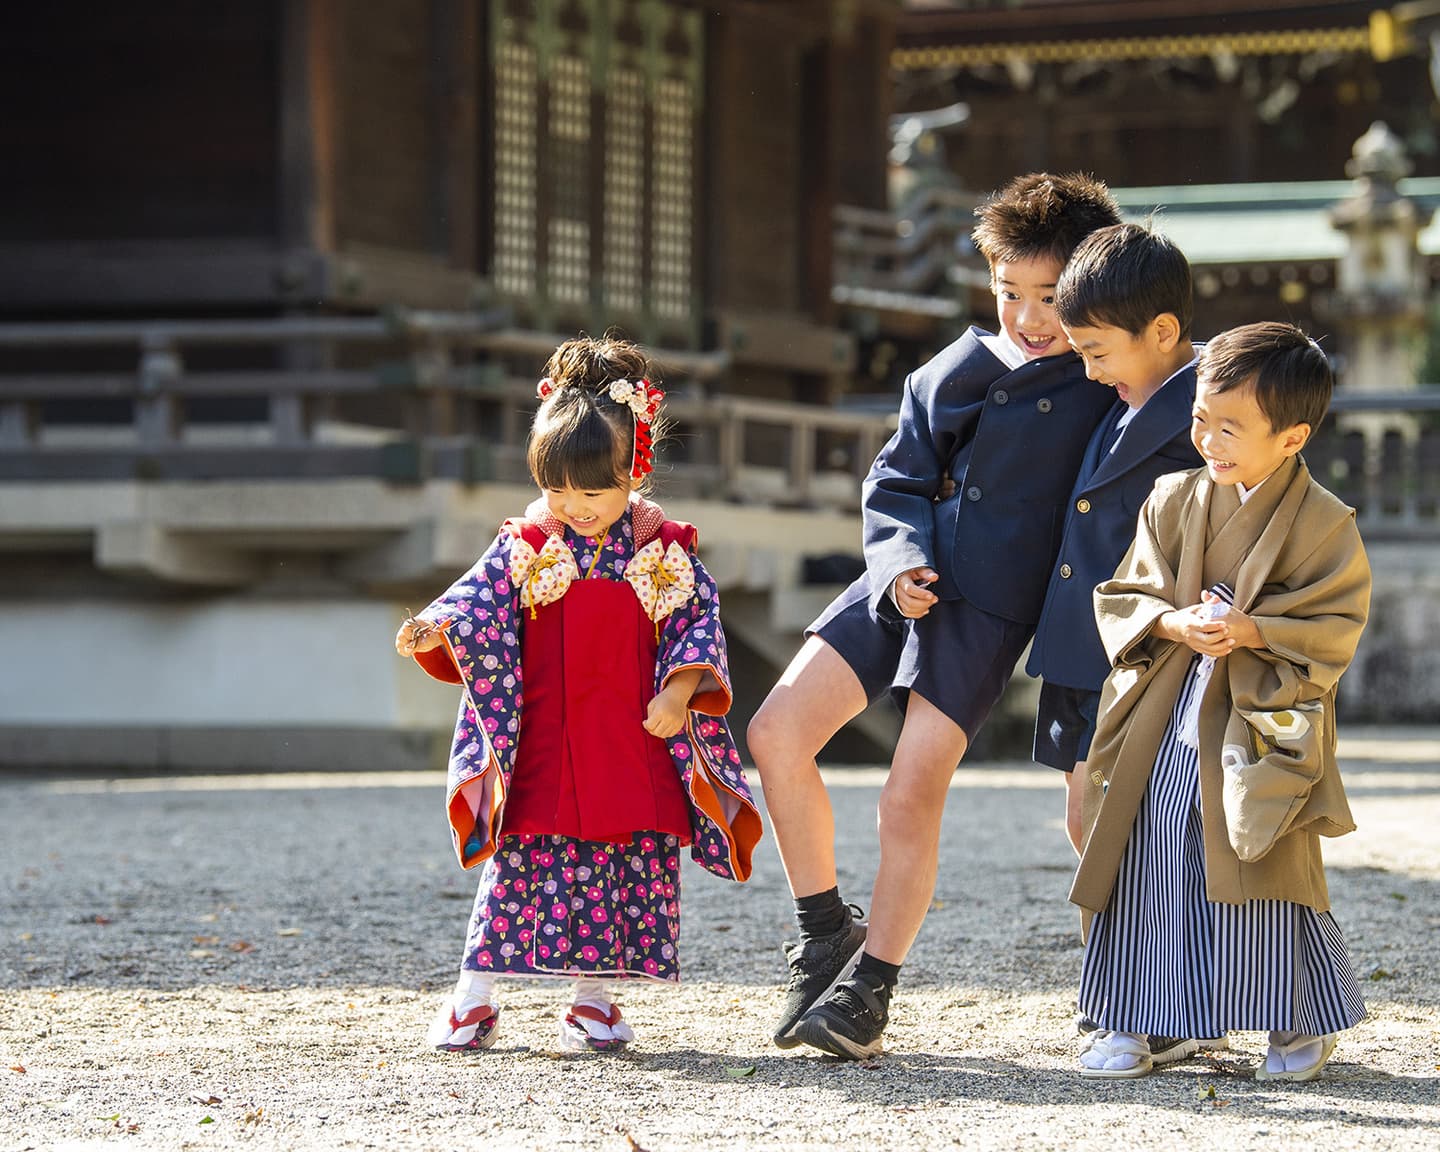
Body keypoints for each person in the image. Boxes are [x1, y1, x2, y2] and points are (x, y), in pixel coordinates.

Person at [746, 172, 1123, 1060]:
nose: (1029, 318)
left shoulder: (1104, 382)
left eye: (1050, 298)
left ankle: (873, 985)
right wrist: (898, 559)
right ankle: (822, 928)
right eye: (1009, 294)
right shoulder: (948, 369)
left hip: (986, 609)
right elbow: (895, 479)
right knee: (774, 734)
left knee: (909, 790)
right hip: (896, 582)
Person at [396, 334, 761, 1055]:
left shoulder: (664, 548)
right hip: (547, 737)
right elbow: (477, 604)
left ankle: (592, 1000)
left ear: (635, 472)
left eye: (593, 491)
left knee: (617, 871)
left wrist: (681, 690)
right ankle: (473, 997)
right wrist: (435, 625)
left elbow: (697, 626)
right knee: (519, 861)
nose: (574, 505)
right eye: (558, 488)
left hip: (631, 736)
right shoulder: (528, 543)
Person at [1072, 322, 1371, 1081]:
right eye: (1202, 419)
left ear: (1293, 437)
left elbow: (1334, 626)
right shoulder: (1173, 498)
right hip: (1171, 706)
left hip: (1258, 718)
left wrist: (1253, 629)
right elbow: (1125, 594)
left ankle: (1296, 1020)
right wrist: (1172, 619)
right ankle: (1135, 1020)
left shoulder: (1325, 524)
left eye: (1231, 427)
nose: (1209, 439)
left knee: (1259, 850)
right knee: (1145, 847)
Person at [1028, 221, 1201, 857]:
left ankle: (1153, 956)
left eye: (1098, 352)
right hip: (1085, 643)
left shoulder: (1217, 415)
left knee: (1132, 831)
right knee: (1087, 823)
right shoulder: (1121, 396)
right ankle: (1122, 957)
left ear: (1161, 331)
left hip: (1149, 652)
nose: (1091, 372)